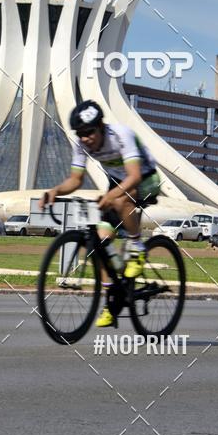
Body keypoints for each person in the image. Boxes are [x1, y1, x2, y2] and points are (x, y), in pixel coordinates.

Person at [40, 100, 161, 327]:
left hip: (145, 178)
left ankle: (138, 247)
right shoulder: (82, 144)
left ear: (101, 126)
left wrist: (111, 196)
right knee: (100, 243)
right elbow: (76, 179)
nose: (85, 138)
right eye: (80, 133)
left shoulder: (121, 135)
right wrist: (55, 191)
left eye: (89, 132)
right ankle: (111, 302)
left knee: (122, 199)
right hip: (117, 182)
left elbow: (134, 176)